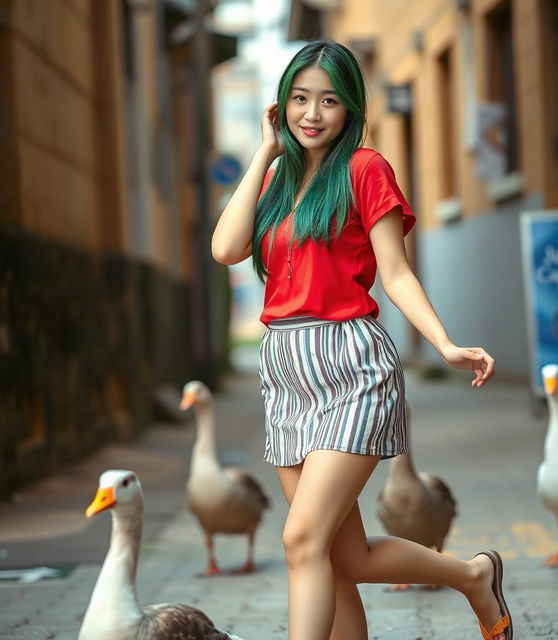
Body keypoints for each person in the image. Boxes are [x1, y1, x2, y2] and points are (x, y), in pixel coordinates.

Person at [211, 39, 512, 640]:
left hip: (350, 365)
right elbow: (225, 248)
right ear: (281, 106)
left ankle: (474, 579)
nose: (312, 114)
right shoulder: (276, 179)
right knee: (337, 558)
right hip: (287, 373)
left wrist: (445, 343)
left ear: (350, 107)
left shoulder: (365, 169)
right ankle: (474, 578)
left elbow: (394, 271)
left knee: (301, 539)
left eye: (328, 100)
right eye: (299, 99)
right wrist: (264, 151)